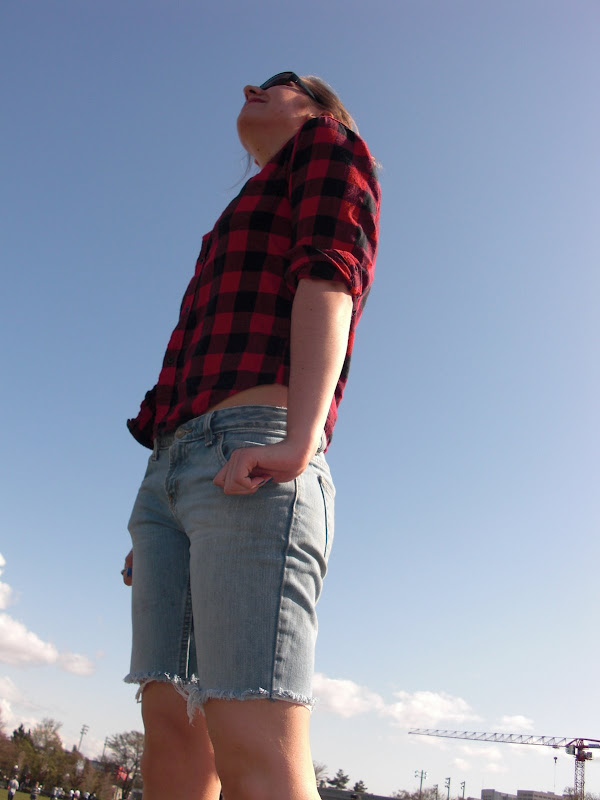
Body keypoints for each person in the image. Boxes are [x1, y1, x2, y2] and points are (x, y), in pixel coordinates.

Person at [122, 71, 380, 800]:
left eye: (277, 82)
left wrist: (299, 440)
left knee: (252, 732)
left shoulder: (327, 145)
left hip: (255, 447)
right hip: (173, 471)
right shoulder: (238, 211)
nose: (250, 88)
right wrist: (164, 509)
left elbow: (330, 277)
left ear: (320, 107)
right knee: (170, 722)